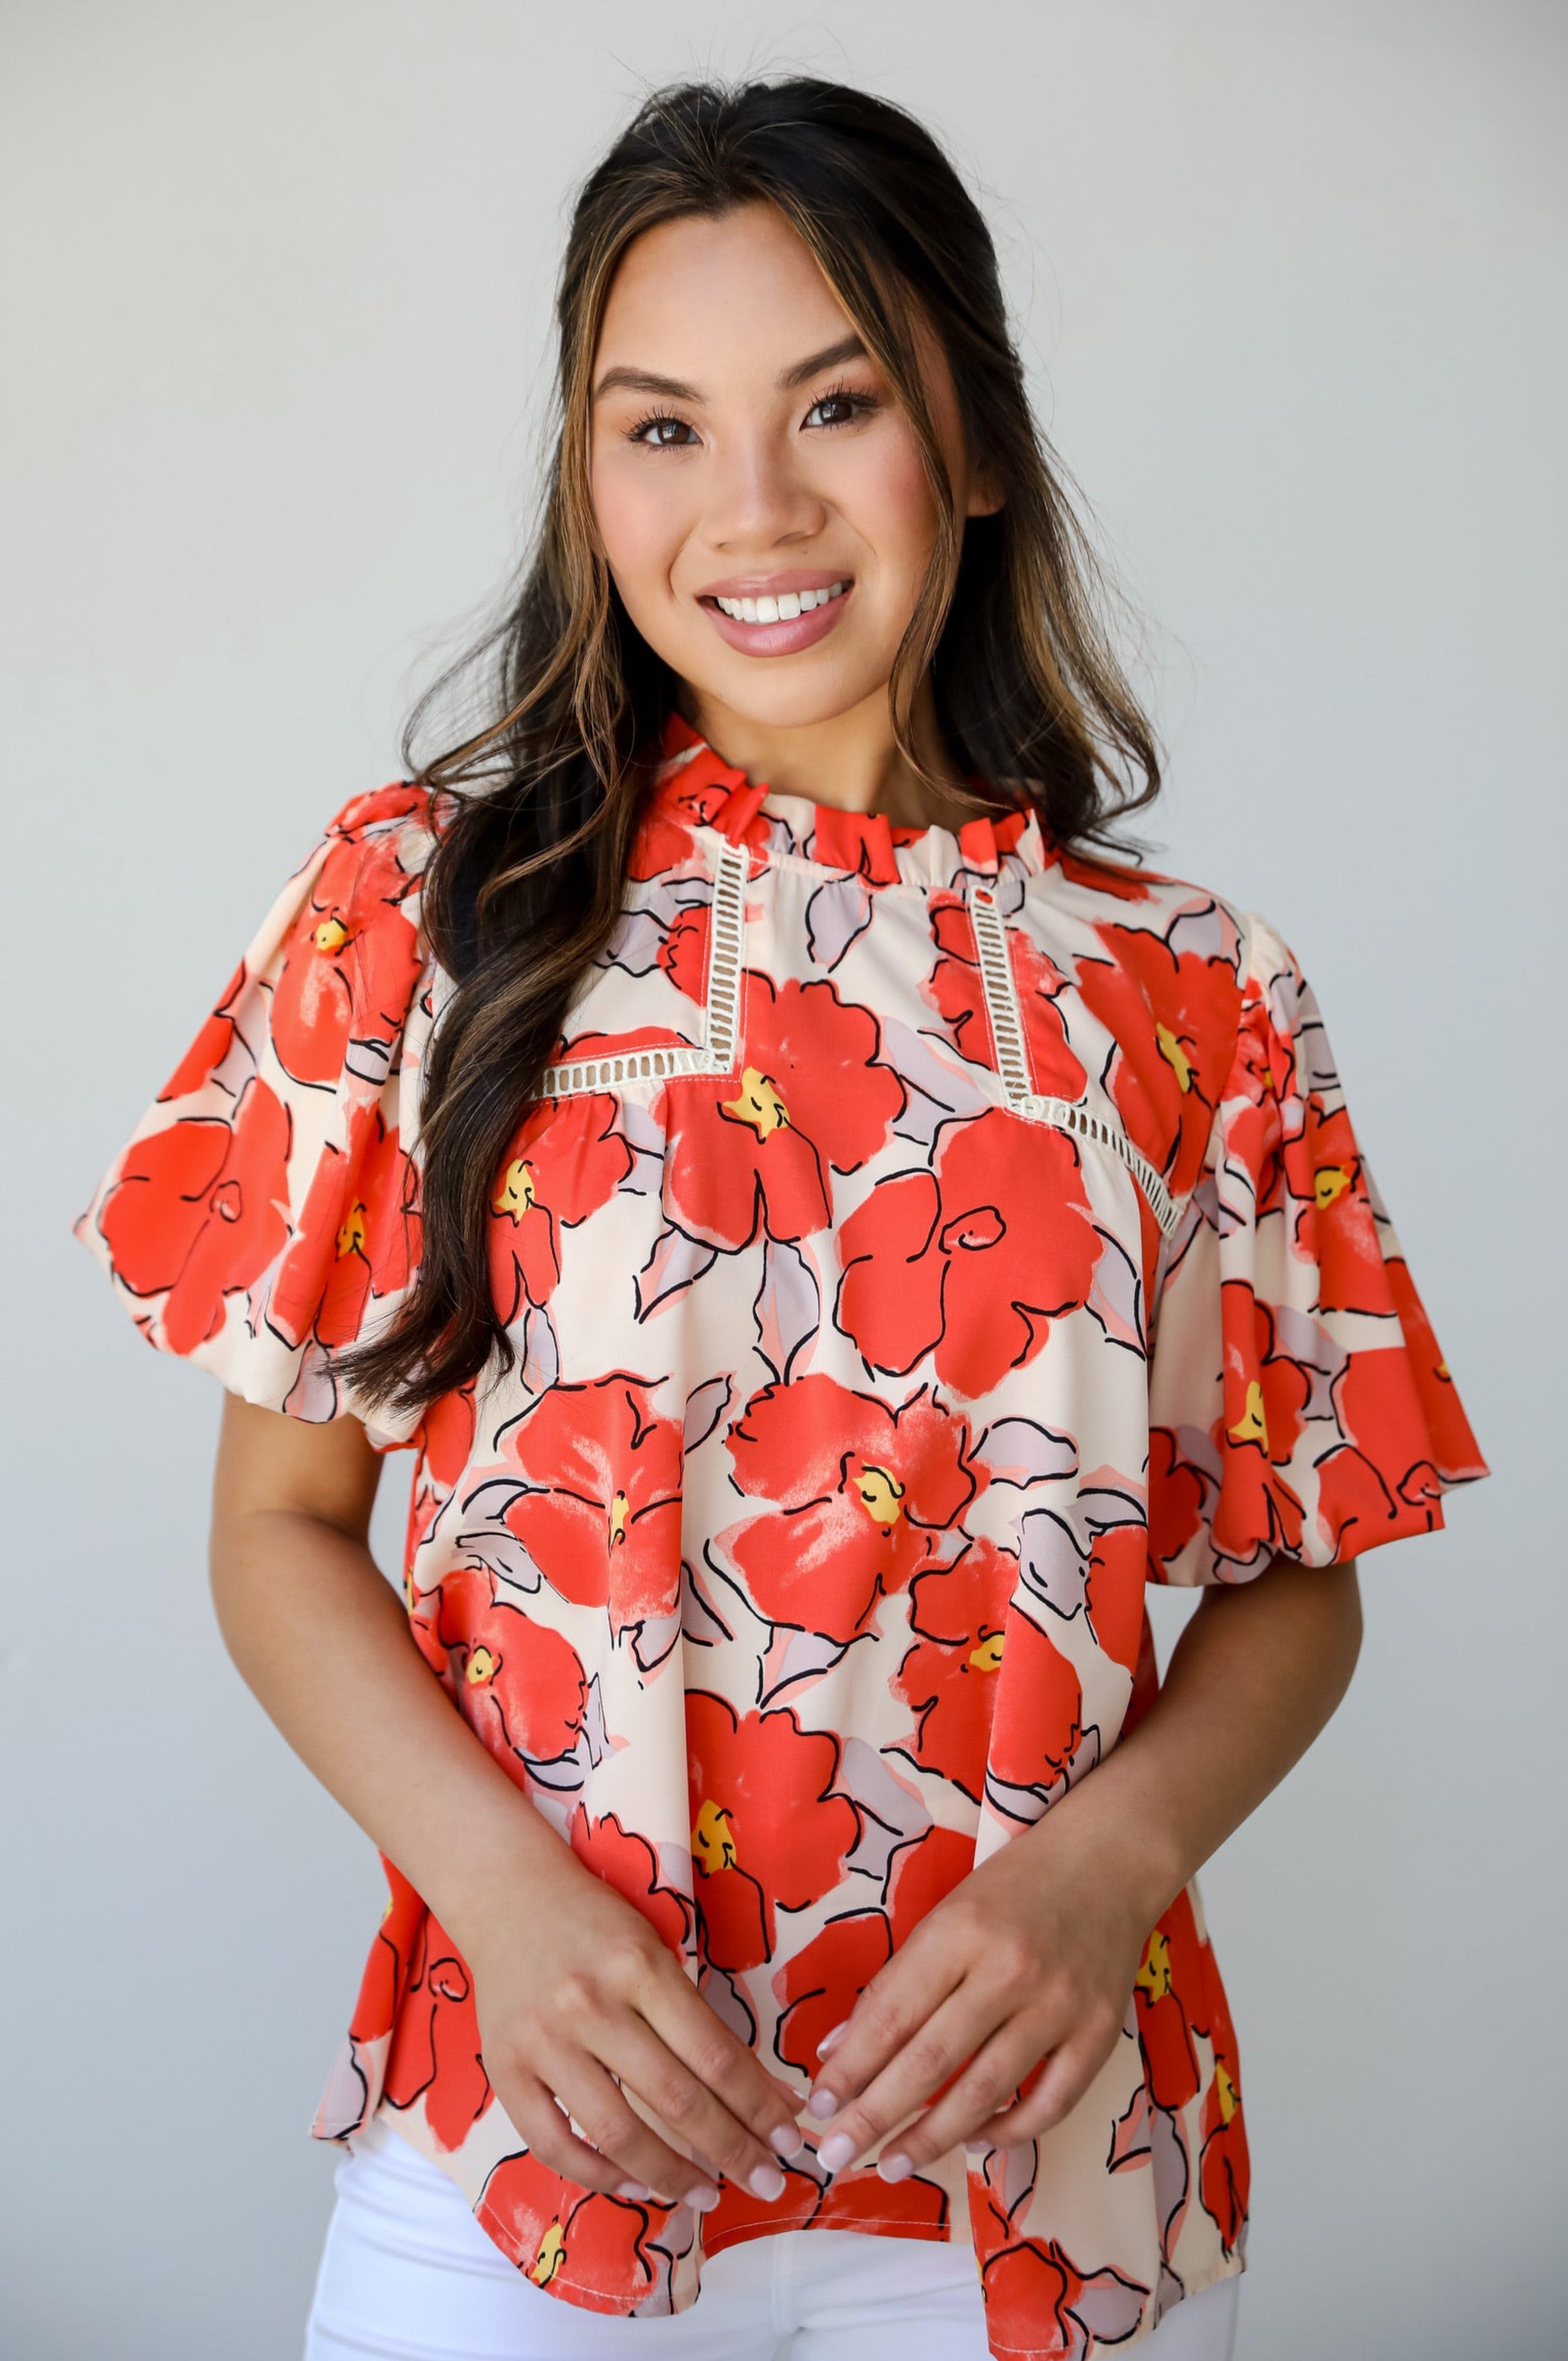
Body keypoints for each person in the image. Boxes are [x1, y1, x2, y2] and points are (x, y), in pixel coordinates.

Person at [74, 75, 1487, 2361]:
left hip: (1048, 2162)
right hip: (532, 2156)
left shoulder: (1197, 989)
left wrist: (1103, 1872)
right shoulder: (422, 915)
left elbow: (1298, 1573)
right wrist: (509, 1910)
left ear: (979, 439)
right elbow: (282, 1525)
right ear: (585, 472)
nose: (752, 506)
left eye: (836, 403)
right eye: (659, 428)